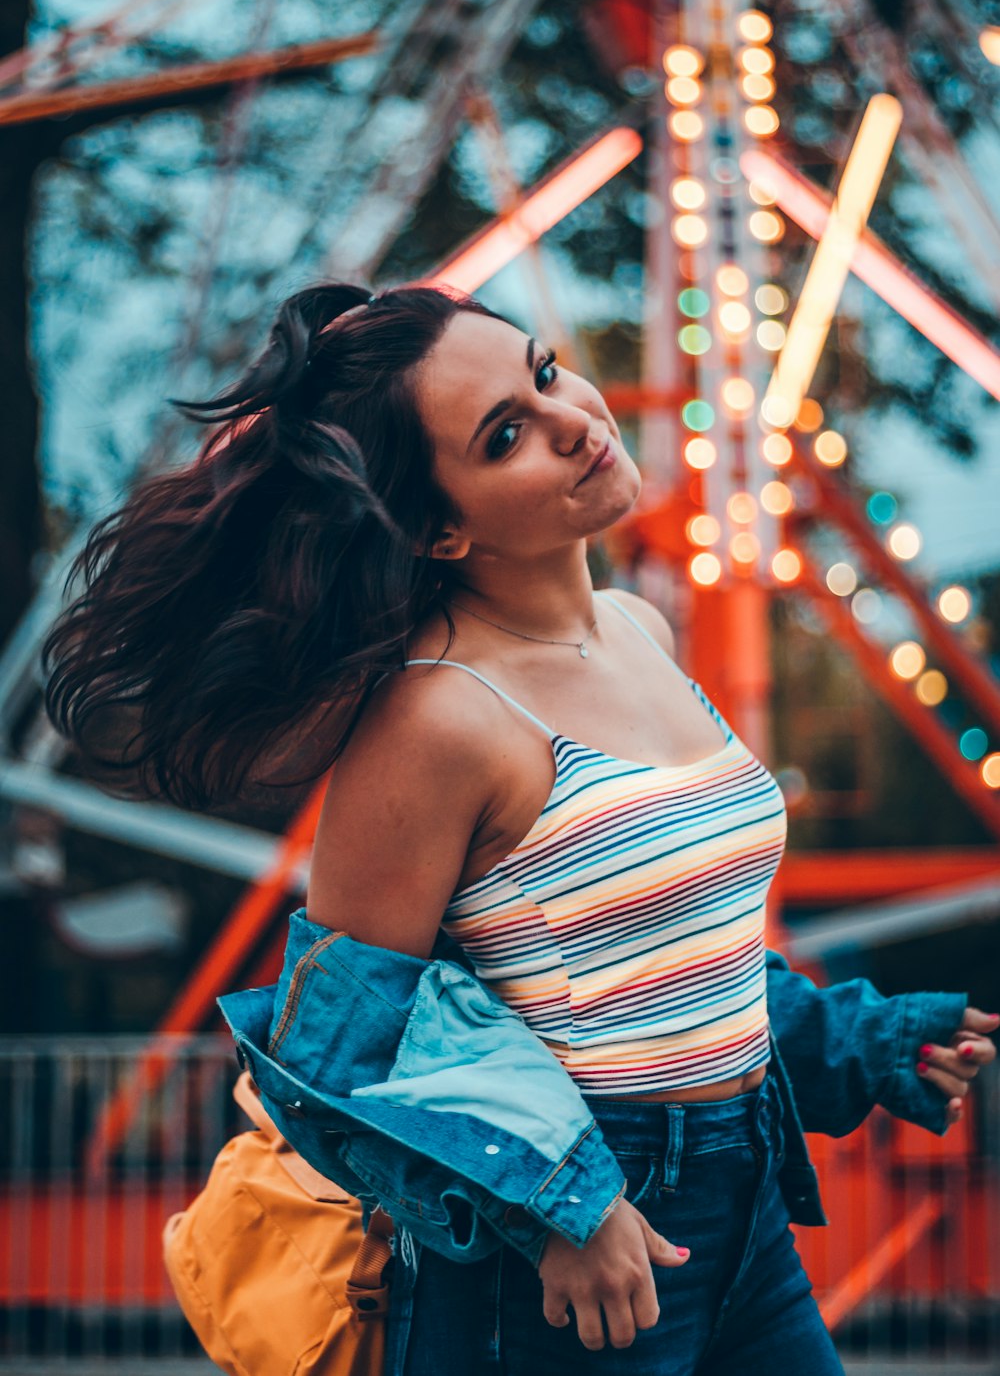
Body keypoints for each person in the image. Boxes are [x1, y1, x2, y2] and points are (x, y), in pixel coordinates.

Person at [43, 281, 998, 1375]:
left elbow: (663, 960)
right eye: (505, 436)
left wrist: (861, 1043)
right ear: (439, 527)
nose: (573, 420)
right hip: (559, 1259)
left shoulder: (639, 629)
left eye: (543, 373)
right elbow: (340, 1049)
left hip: (746, 1212)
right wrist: (561, 1210)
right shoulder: (437, 715)